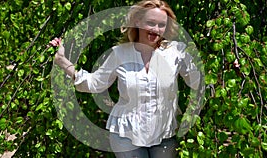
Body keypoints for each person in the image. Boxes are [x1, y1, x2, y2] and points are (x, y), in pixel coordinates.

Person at [49, 0, 200, 157]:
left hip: (165, 136)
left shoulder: (176, 52)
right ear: (137, 22)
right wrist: (62, 61)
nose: (156, 29)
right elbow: (94, 84)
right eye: (150, 23)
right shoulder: (119, 54)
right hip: (126, 136)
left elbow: (197, 81)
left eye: (161, 25)